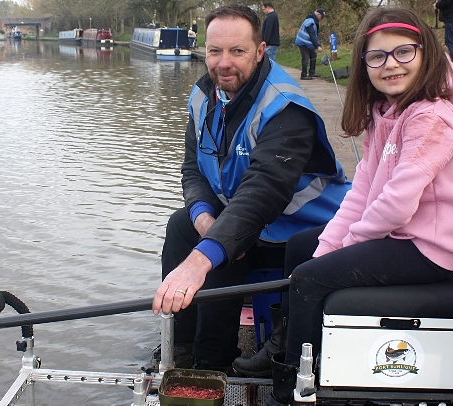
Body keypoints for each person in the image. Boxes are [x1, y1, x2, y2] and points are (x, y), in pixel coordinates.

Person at [265, 8, 453, 405]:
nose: (391, 65)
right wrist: (330, 245)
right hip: (400, 236)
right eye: (377, 56)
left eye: (403, 52)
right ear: (364, 64)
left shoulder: (432, 118)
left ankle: (297, 381)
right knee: (301, 248)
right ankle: (286, 337)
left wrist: (347, 246)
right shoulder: (383, 113)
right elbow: (361, 193)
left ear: (426, 53)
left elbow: (396, 205)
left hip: (429, 247)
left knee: (311, 279)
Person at [150, 4, 351, 375]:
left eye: (237, 51)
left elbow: (263, 193)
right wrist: (203, 216)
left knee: (220, 253)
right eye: (214, 51)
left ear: (260, 52)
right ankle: (178, 346)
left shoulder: (286, 108)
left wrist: (204, 255)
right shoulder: (202, 97)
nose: (223, 63)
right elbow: (193, 169)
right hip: (253, 221)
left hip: (301, 234)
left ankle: (211, 365)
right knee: (183, 226)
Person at [295, 8, 326, 80]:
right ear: (318, 14)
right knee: (305, 58)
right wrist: (317, 46)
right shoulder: (310, 22)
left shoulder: (313, 21)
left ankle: (312, 72)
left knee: (313, 55)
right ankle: (303, 75)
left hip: (307, 43)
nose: (321, 18)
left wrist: (317, 44)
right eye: (321, 16)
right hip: (302, 42)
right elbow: (312, 35)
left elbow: (314, 35)